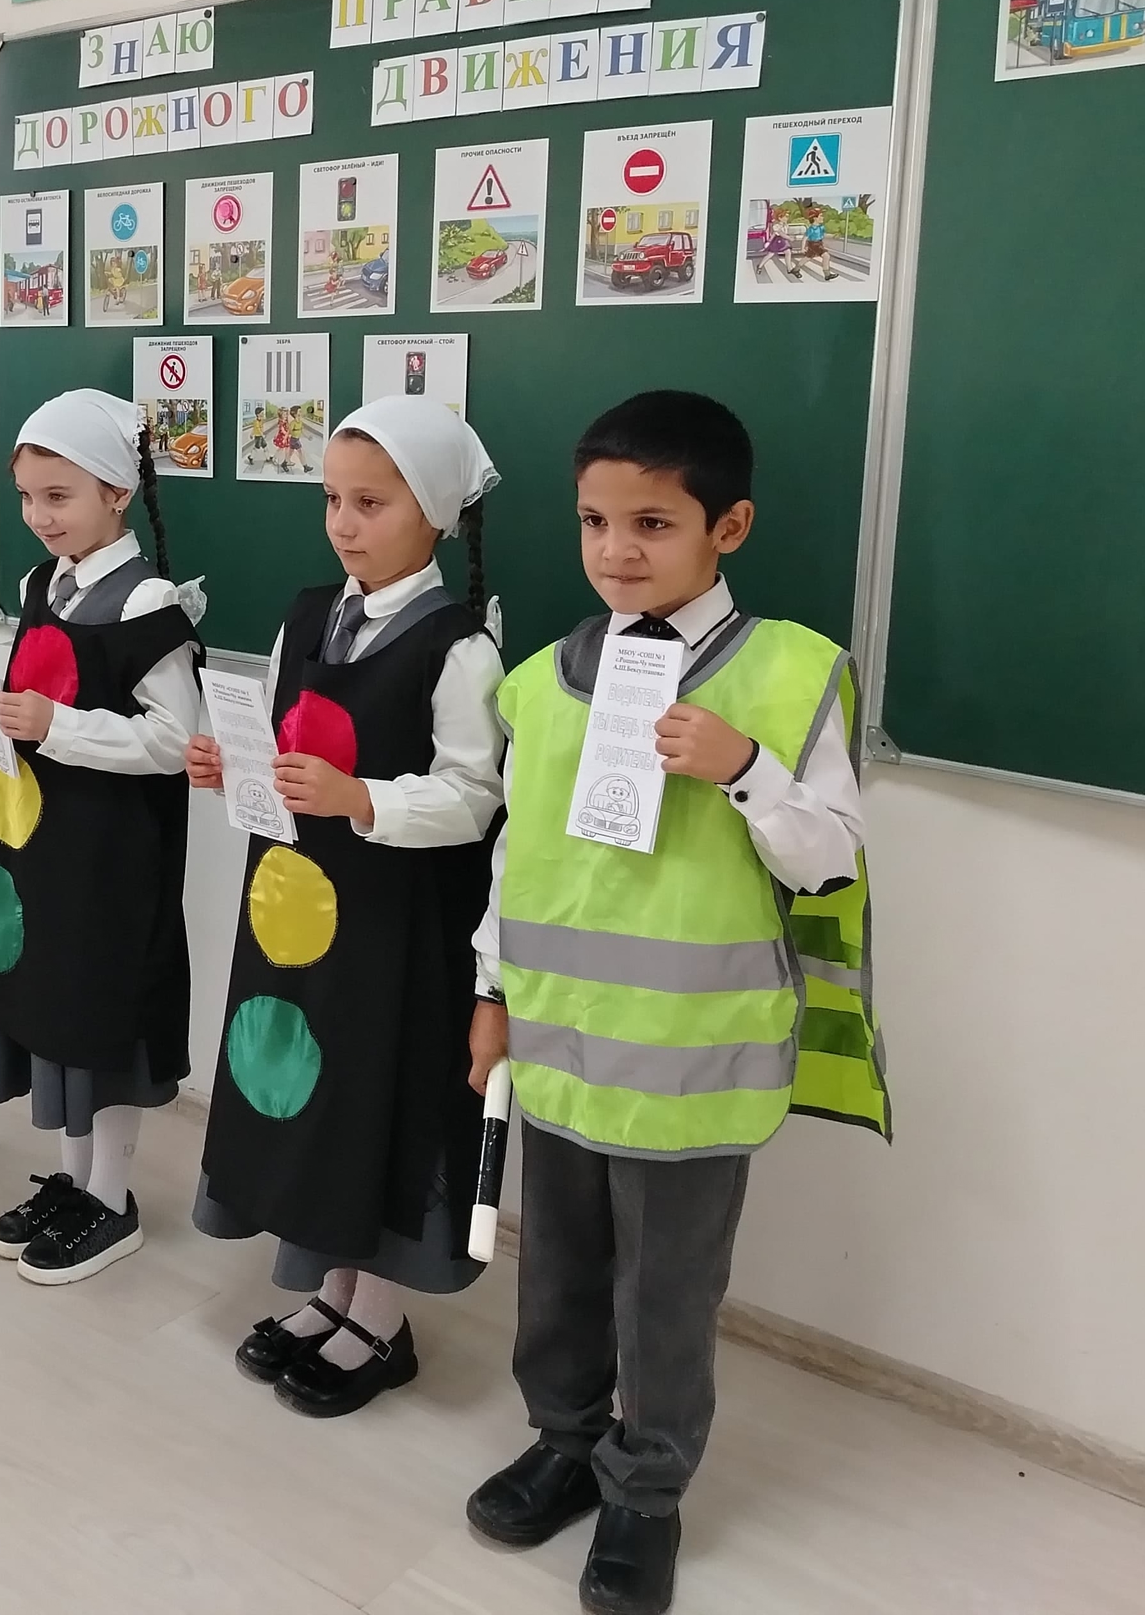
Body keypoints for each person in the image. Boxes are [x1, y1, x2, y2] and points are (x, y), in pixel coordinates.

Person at [462, 391, 890, 1615]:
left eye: (651, 522)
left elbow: (831, 860)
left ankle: (645, 1493)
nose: (616, 550)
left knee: (664, 1294)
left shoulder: (791, 671)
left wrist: (746, 769)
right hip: (562, 1040)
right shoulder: (540, 683)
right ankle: (561, 1442)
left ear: (727, 527)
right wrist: (490, 994)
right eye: (594, 521)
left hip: (693, 1058)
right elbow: (516, 858)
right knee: (557, 1272)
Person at [187, 397, 506, 1418]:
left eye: (371, 503)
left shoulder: (459, 646)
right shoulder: (306, 612)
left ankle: (381, 1317)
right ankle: (329, 1290)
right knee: (306, 1089)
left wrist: (363, 799)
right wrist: (233, 767)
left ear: (436, 514)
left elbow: (474, 797)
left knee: (374, 1097)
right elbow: (286, 749)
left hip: (392, 926)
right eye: (332, 500)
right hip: (291, 911)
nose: (344, 524)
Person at [0, 390, 203, 1286]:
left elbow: (173, 742)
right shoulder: (39, 585)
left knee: (101, 1019)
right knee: (49, 1006)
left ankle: (112, 1197)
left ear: (117, 493)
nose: (38, 516)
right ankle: (71, 1179)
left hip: (111, 859)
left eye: (59, 496)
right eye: (27, 497)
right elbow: (37, 690)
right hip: (42, 847)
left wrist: (55, 726)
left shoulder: (148, 601)